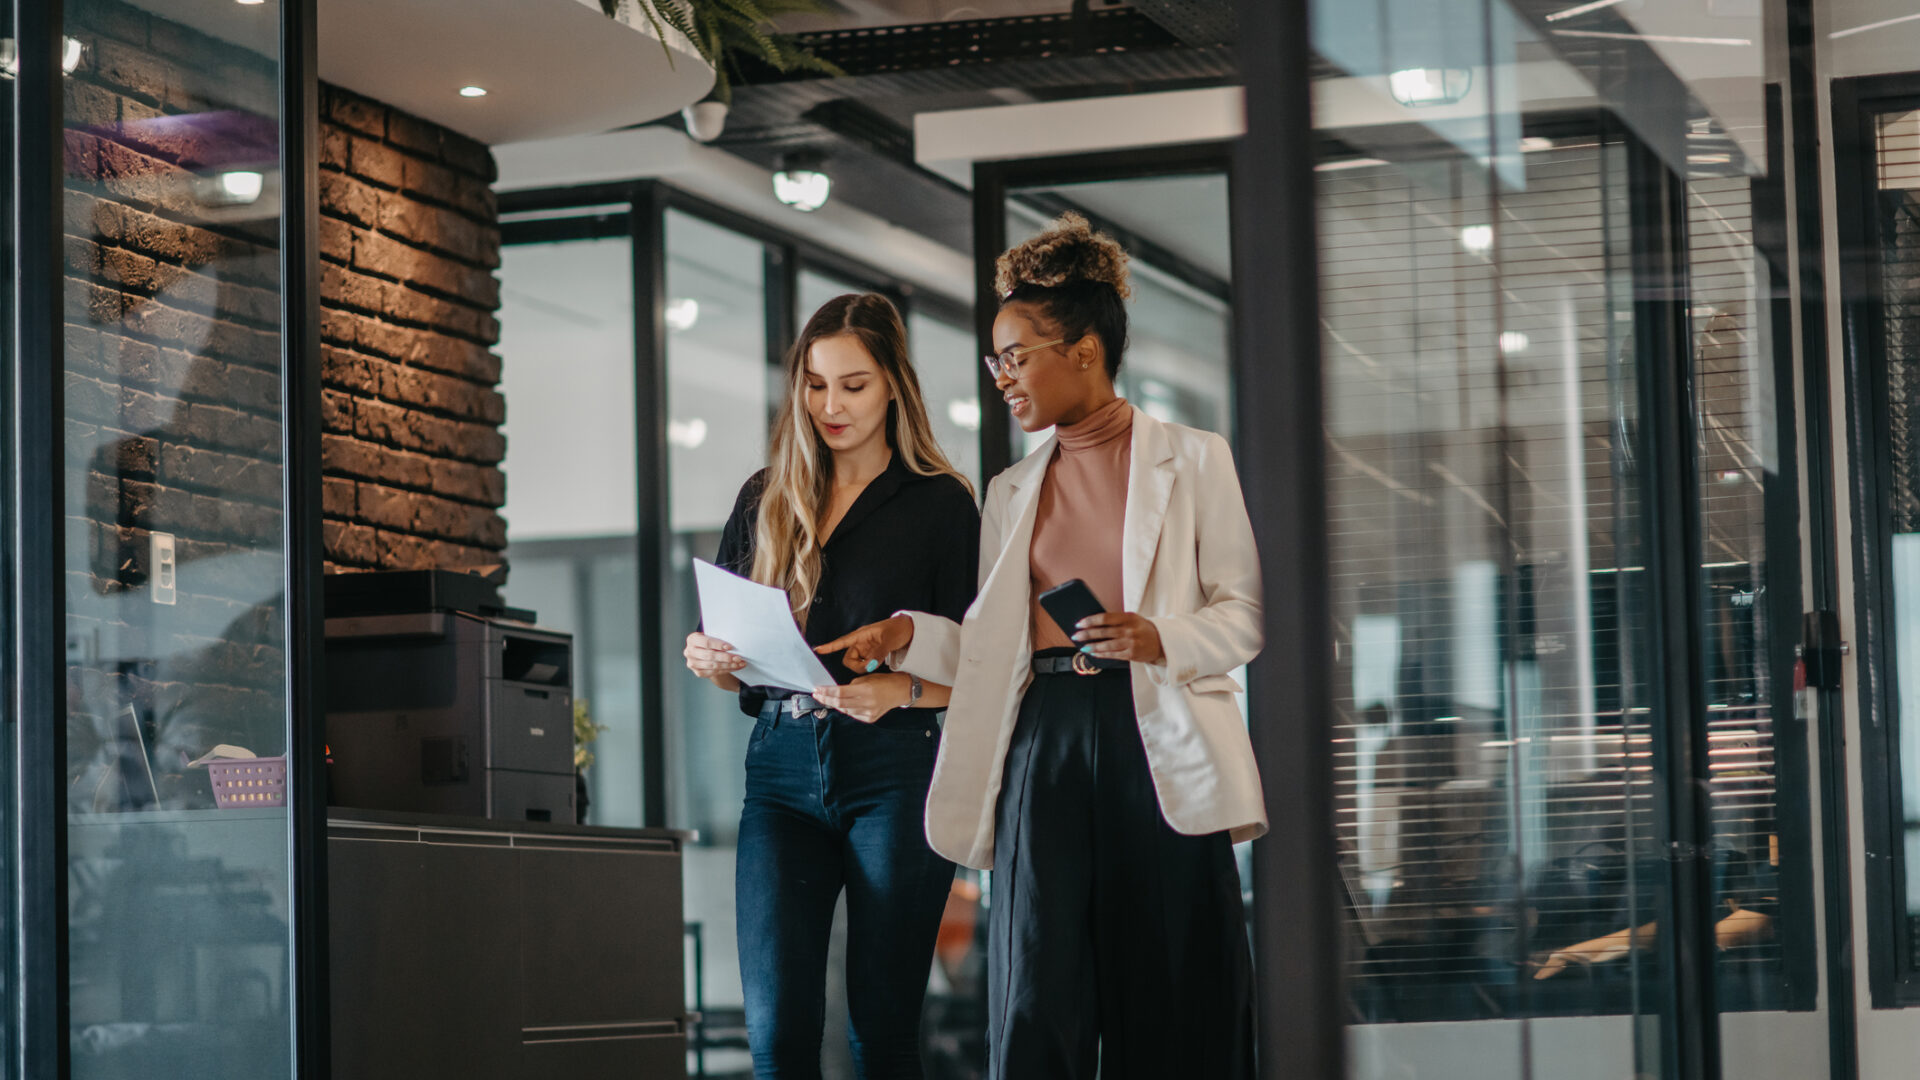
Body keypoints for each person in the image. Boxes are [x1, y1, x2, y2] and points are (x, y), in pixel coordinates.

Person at [818, 214, 1265, 1079]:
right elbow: (995, 649)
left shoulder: (1196, 458)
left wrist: (1159, 635)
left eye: (1016, 357)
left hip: (1155, 736)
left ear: (1086, 350)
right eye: (996, 361)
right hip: (1042, 742)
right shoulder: (1010, 489)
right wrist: (910, 637)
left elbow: (1245, 615)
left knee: (1176, 993)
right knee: (1035, 995)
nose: (1002, 380)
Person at [681, 293, 980, 1079]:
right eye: (815, 385)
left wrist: (904, 692)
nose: (831, 405)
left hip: (896, 768)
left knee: (881, 1032)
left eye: (853, 384)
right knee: (777, 1034)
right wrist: (715, 662)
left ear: (893, 387)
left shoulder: (943, 505)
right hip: (779, 770)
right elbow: (740, 667)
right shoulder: (765, 495)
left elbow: (986, 667)